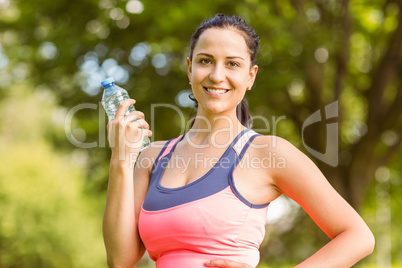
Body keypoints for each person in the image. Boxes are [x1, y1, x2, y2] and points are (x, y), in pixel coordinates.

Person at [102, 14, 375, 268]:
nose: (217, 75)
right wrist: (121, 159)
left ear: (250, 76)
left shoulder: (267, 153)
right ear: (189, 68)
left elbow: (358, 236)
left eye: (232, 63)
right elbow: (120, 259)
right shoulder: (153, 157)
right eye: (205, 60)